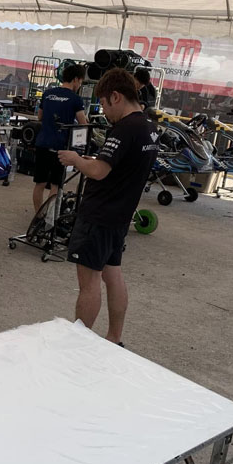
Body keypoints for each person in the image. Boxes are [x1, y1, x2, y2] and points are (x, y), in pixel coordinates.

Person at [58, 68, 160, 345]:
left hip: (99, 215)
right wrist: (94, 160)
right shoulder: (149, 127)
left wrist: (76, 160)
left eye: (103, 103)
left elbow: (99, 171)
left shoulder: (125, 128)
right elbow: (120, 164)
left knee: (89, 281)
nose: (104, 111)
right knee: (112, 275)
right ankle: (114, 338)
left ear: (116, 97)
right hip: (120, 216)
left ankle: (78, 342)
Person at [32, 63, 87, 213]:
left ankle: (38, 216)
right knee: (56, 185)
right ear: (75, 79)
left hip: (42, 143)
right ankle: (49, 218)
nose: (79, 85)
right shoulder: (76, 99)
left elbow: (40, 116)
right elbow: (83, 123)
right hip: (61, 147)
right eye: (80, 82)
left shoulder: (48, 94)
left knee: (40, 183)